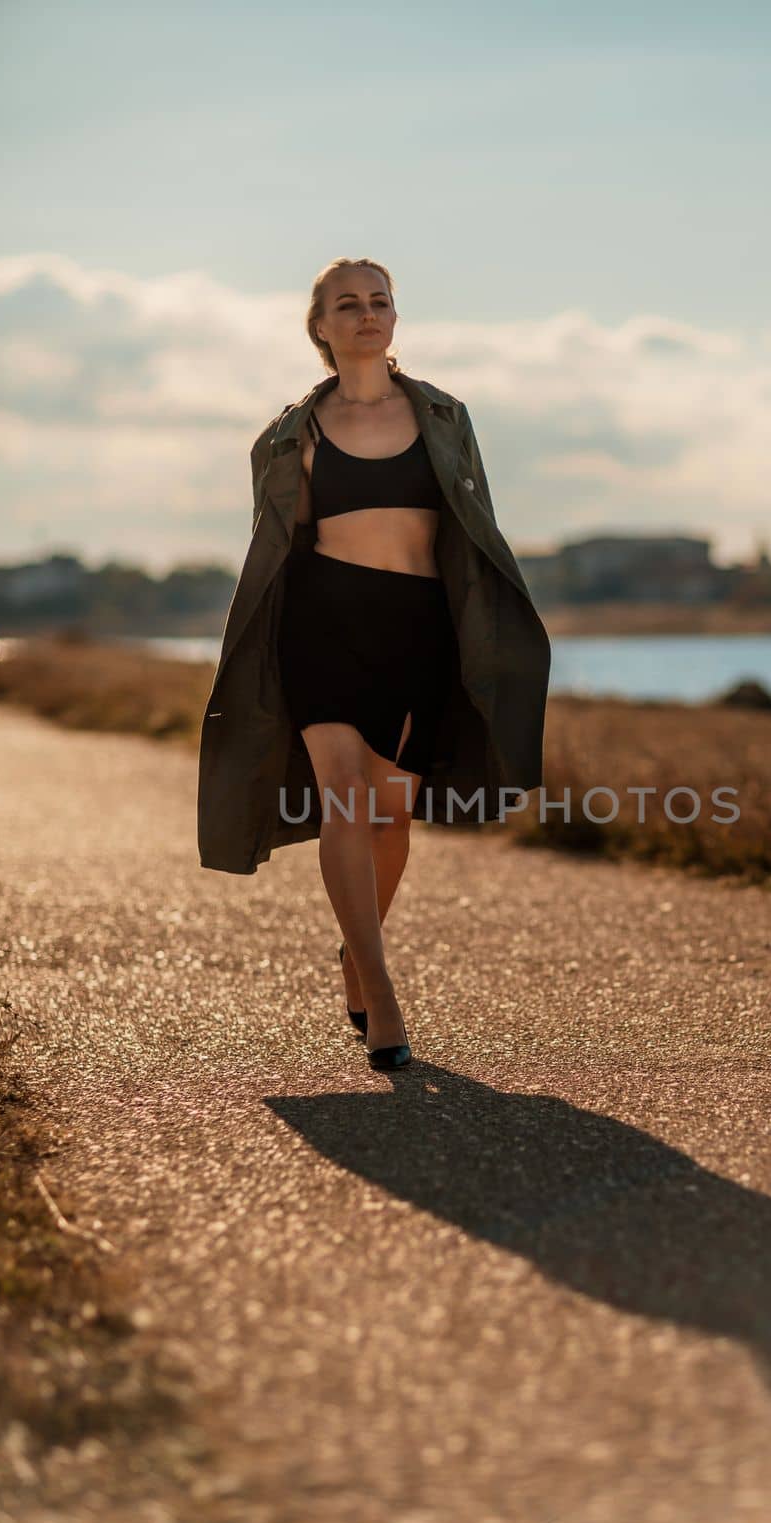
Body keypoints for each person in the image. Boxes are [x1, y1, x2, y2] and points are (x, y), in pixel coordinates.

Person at [275, 257, 483, 1070]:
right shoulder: (294, 431)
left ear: (394, 319)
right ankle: (384, 993)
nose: (367, 314)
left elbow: (474, 531)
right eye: (347, 304)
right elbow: (279, 543)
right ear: (321, 327)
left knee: (392, 816)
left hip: (416, 627)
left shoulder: (443, 415)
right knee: (347, 802)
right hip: (322, 619)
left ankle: (354, 956)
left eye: (380, 301)